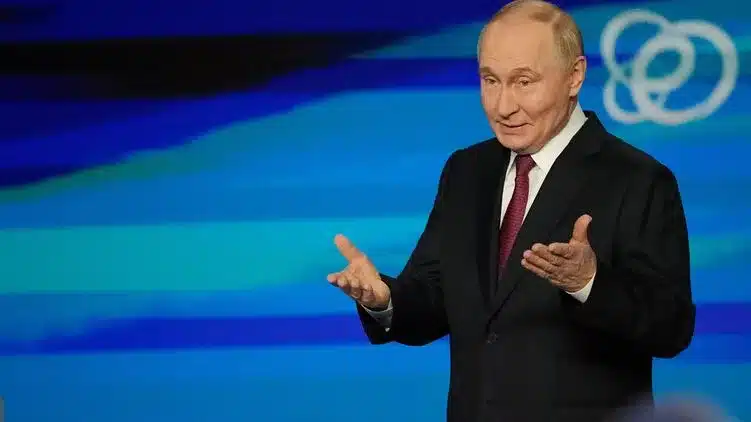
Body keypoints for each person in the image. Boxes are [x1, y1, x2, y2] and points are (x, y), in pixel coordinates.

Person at [327, 1, 696, 421]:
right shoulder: (466, 171)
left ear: (574, 76)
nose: (503, 106)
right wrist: (384, 300)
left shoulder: (638, 180)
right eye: (491, 80)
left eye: (524, 82)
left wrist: (589, 283)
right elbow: (433, 298)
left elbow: (671, 328)